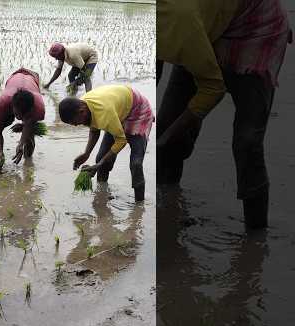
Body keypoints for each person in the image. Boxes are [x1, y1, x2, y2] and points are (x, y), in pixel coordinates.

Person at [157, 0, 292, 228]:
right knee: (166, 126)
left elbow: (213, 89)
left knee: (247, 142)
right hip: (204, 24)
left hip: (255, 28)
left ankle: (255, 243)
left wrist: (166, 137)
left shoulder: (180, 21)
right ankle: (169, 205)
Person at [58, 84, 154, 201]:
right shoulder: (84, 106)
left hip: (138, 111)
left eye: (74, 122)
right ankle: (102, 195)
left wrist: (99, 165)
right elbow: (94, 129)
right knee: (101, 158)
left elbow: (121, 141)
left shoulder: (104, 113)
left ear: (82, 111)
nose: (76, 125)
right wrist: (86, 153)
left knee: (136, 164)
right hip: (118, 111)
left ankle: (139, 206)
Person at [0, 68, 45, 164]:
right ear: (12, 106)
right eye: (17, 114)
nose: (18, 118)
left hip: (32, 78)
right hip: (14, 78)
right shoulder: (2, 105)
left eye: (23, 116)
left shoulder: (38, 108)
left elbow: (29, 124)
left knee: (29, 134)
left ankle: (28, 162)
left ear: (31, 109)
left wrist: (21, 143)